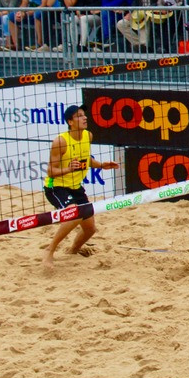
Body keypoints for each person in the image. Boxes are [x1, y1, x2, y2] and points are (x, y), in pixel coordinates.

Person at [42, 105, 119, 269]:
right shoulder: (61, 141)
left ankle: (72, 251)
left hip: (75, 187)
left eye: (84, 115)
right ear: (70, 122)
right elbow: (50, 171)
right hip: (56, 187)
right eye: (79, 116)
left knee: (90, 230)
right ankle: (50, 250)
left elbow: (87, 158)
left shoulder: (88, 135)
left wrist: (101, 165)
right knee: (74, 214)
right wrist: (68, 169)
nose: (84, 118)